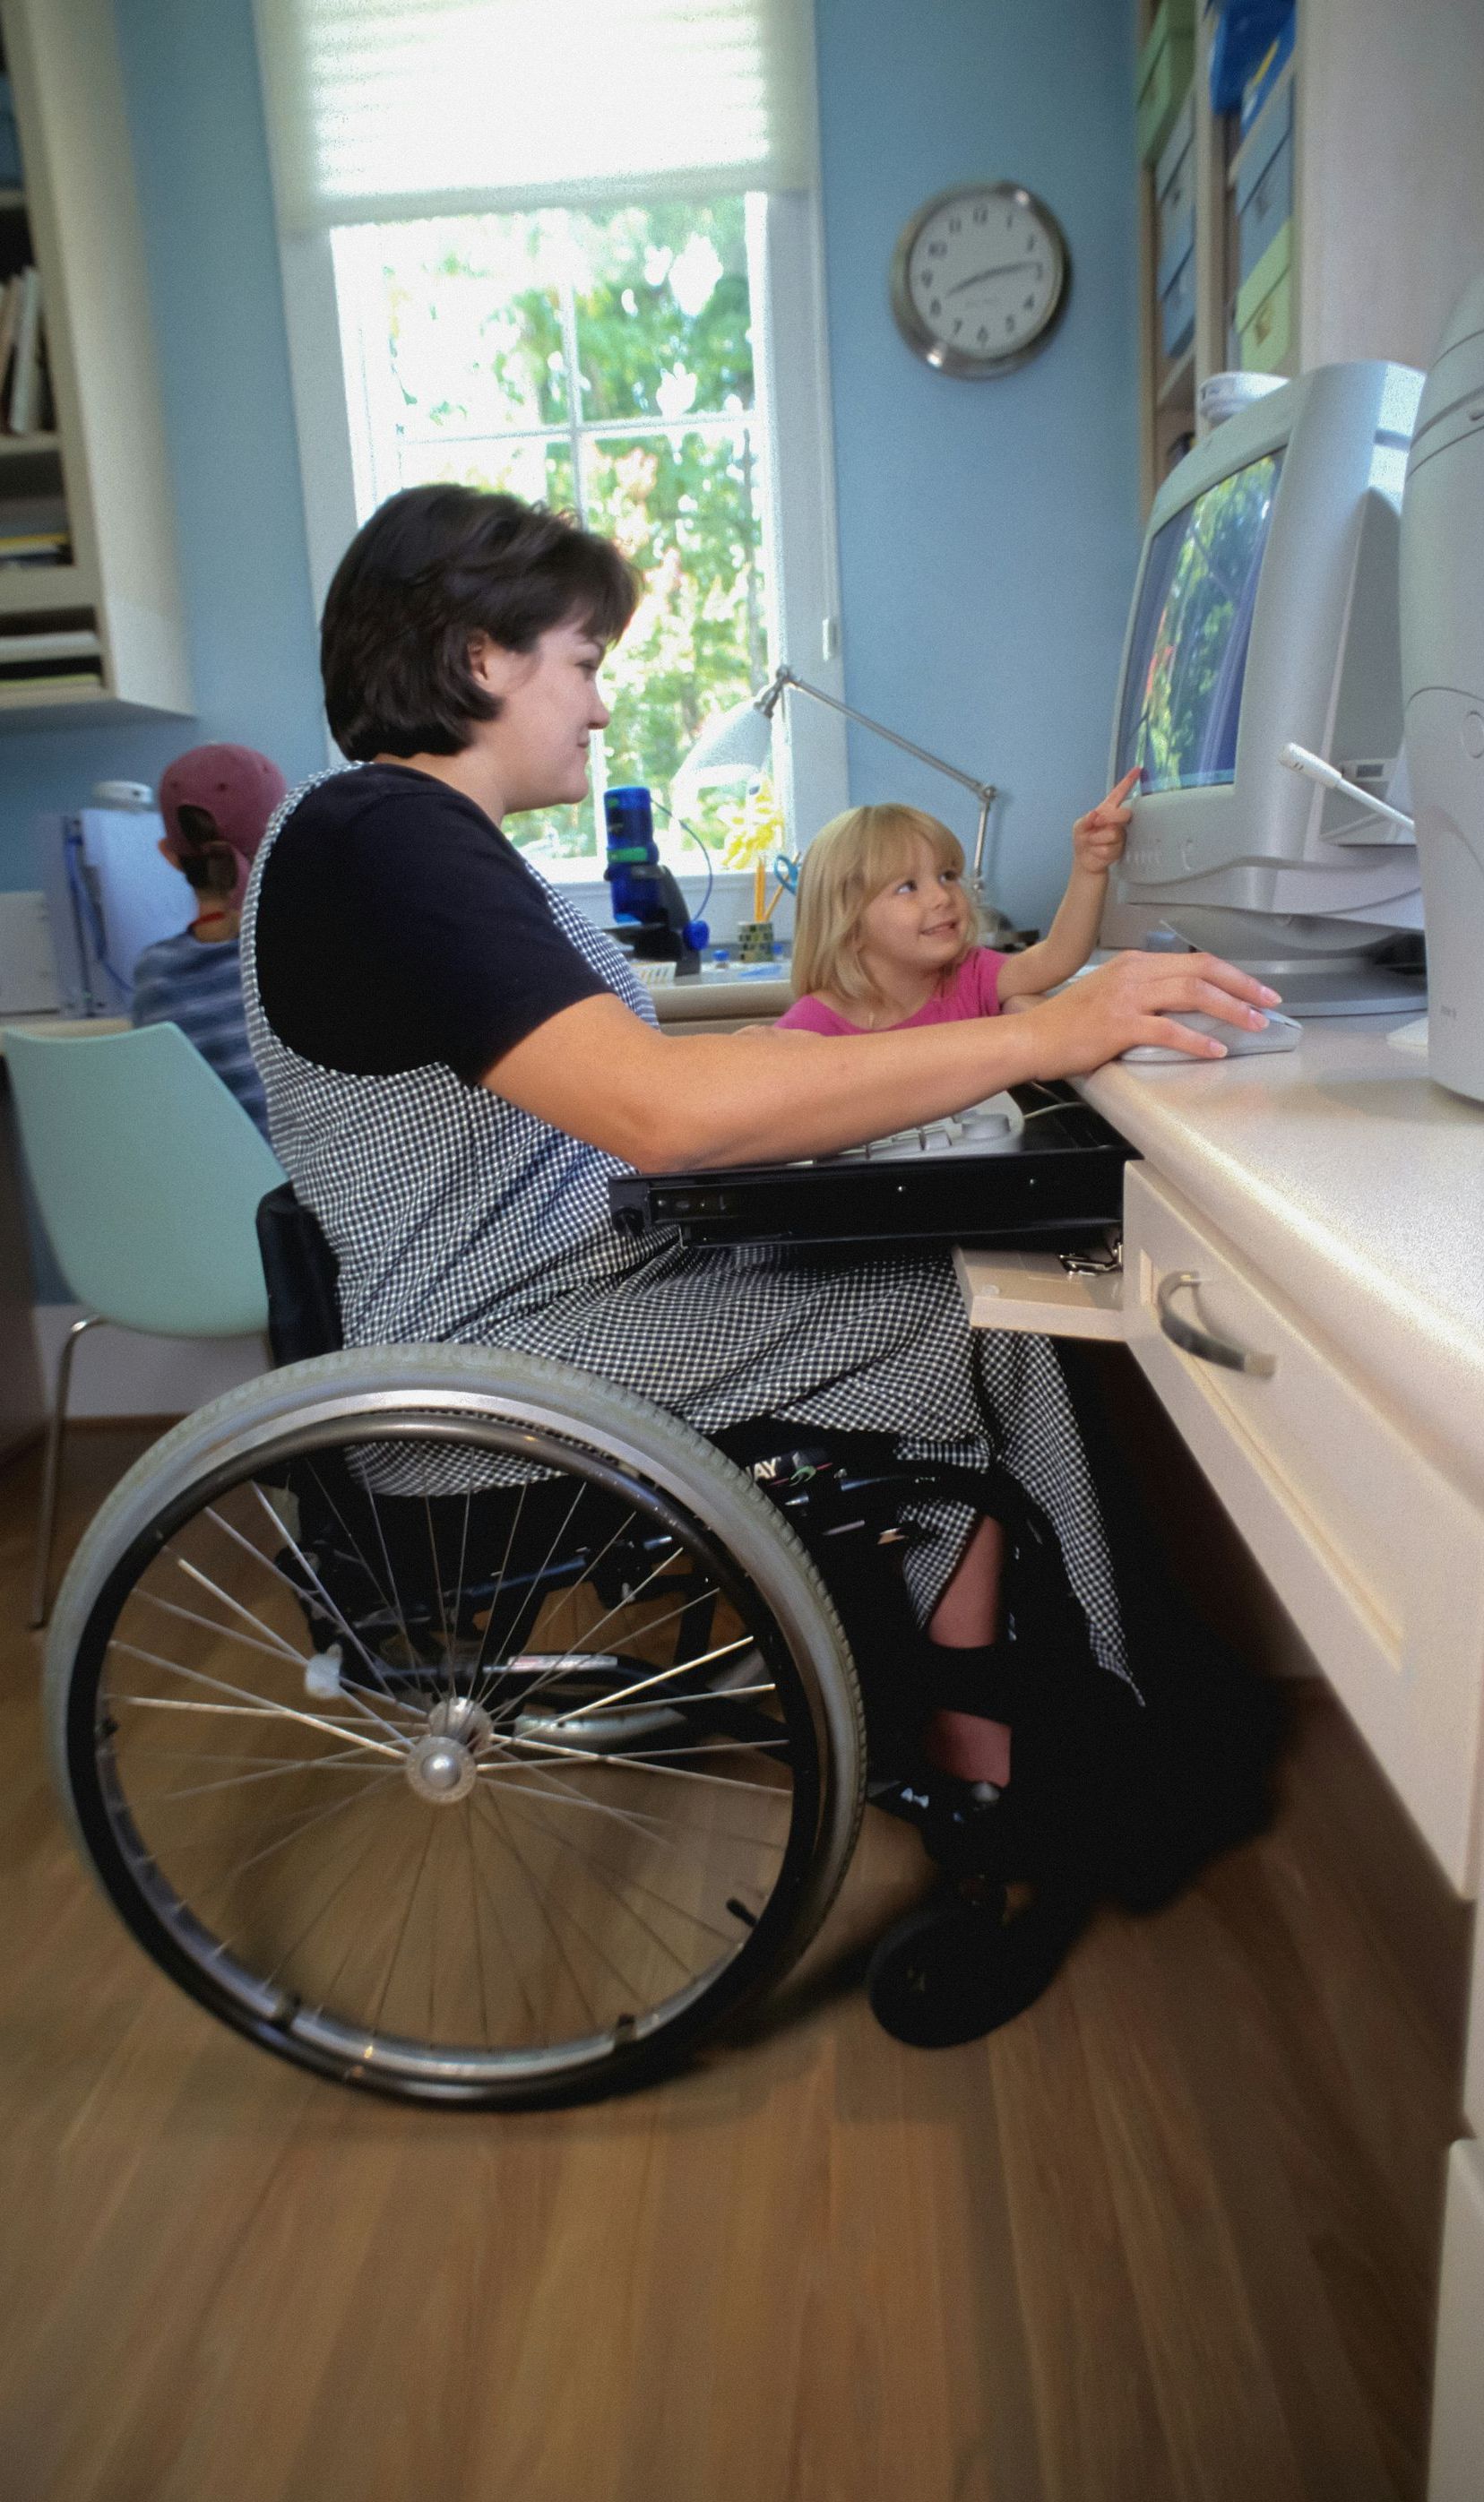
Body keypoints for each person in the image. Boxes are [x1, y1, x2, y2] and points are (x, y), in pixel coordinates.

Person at [241, 486, 1279, 2035]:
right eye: (581, 661)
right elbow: (656, 1114)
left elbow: (610, 1106)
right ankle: (1033, 1754)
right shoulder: (383, 838)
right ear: (475, 658)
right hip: (498, 1363)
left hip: (560, 1305)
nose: (600, 703)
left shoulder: (409, 847)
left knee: (963, 1282)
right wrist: (1041, 1030)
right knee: (959, 1298)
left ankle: (1028, 1730)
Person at [777, 780, 1141, 1040]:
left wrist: (1090, 868)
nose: (942, 896)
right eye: (907, 886)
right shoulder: (813, 1025)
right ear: (850, 926)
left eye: (947, 875)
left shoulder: (971, 976)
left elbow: (1059, 957)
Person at [132, 743, 286, 1136]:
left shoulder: (154, 975)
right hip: (318, 1191)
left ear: (169, 854)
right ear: (282, 838)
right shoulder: (316, 955)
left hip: (215, 1191)